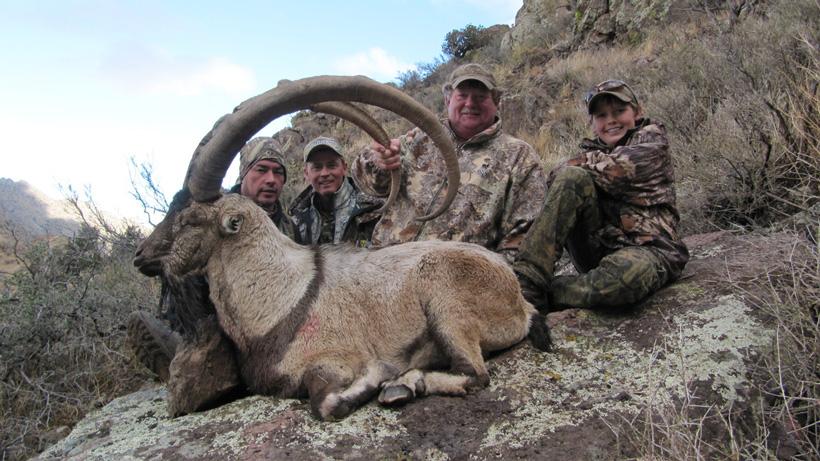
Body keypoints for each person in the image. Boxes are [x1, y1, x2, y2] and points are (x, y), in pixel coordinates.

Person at [128, 136, 298, 383]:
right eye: (261, 170)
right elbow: (152, 258)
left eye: (278, 172)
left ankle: (208, 366)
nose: (271, 179)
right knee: (183, 264)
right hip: (216, 315)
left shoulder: (290, 227)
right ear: (244, 174)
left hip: (270, 319)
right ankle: (191, 346)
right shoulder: (211, 212)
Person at [512, 79, 689, 311]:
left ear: (637, 112)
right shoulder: (591, 153)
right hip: (598, 251)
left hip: (650, 252)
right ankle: (526, 282)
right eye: (601, 116)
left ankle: (553, 293)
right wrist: (580, 165)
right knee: (572, 178)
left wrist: (580, 162)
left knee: (627, 278)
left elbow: (621, 169)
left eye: (619, 111)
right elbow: (557, 177)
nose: (611, 120)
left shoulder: (653, 140)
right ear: (593, 124)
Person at [352, 62, 546, 262]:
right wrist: (378, 163)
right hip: (385, 263)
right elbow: (369, 184)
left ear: (497, 102)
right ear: (447, 100)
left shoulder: (519, 157)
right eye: (462, 96)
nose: (470, 103)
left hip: (453, 277)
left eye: (480, 97)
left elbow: (523, 237)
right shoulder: (418, 138)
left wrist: (492, 275)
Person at [289, 136, 381, 246]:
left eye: (331, 165)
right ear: (306, 173)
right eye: (317, 167)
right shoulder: (296, 221)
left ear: (344, 167)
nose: (324, 173)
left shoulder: (373, 208)